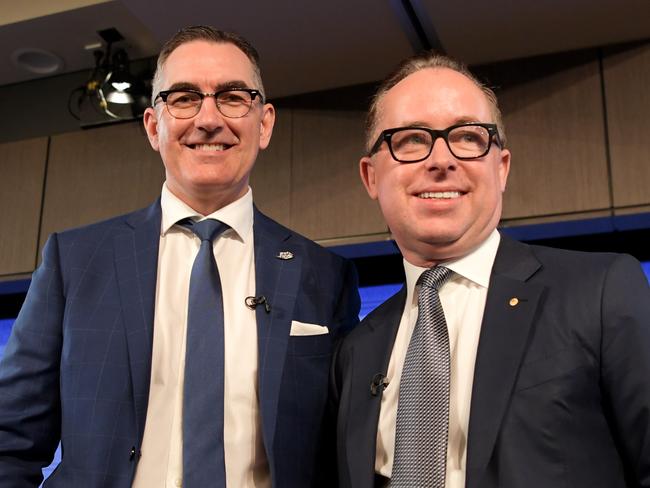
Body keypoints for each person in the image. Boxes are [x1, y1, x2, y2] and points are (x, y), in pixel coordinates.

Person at [0, 26, 359, 487]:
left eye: (232, 97)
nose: (208, 119)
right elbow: (9, 440)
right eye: (185, 97)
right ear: (154, 125)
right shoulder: (73, 262)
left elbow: (338, 454)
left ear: (264, 123)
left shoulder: (325, 276)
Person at [330, 51, 650, 488]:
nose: (441, 160)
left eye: (466, 137)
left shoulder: (602, 291)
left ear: (501, 168)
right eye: (409, 140)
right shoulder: (356, 350)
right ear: (370, 177)